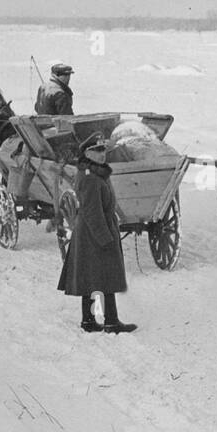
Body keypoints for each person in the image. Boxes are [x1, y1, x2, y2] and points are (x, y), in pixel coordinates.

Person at [57, 136, 136, 333]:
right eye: (97, 151)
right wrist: (105, 238)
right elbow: (93, 212)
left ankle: (89, 320)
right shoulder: (91, 179)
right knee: (106, 276)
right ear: (87, 154)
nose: (102, 154)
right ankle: (111, 322)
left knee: (91, 277)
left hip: (92, 231)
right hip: (93, 232)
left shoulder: (97, 174)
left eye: (103, 150)